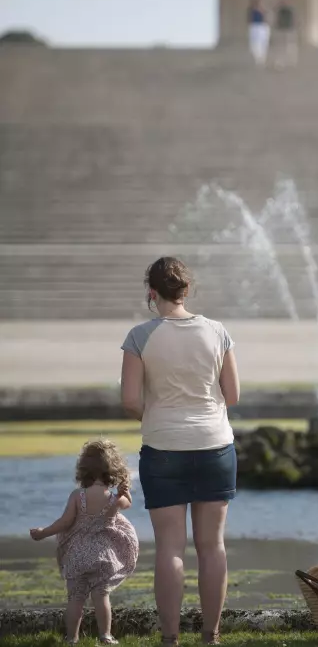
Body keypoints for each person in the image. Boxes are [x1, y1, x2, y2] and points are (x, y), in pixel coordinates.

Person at [120, 256, 240, 647]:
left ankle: (170, 639)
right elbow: (233, 396)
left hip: (163, 447)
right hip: (215, 446)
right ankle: (212, 635)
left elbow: (129, 401)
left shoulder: (140, 335)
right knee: (212, 546)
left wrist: (154, 415)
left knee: (171, 548)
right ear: (186, 290)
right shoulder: (218, 332)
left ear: (151, 293)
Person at [30, 440, 139, 645]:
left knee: (76, 598)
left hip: (77, 554)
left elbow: (64, 522)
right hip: (103, 556)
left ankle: (72, 638)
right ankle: (105, 635)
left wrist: (43, 532)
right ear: (113, 469)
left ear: (83, 468)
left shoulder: (77, 496)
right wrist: (125, 489)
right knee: (101, 595)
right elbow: (128, 503)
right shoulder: (113, 498)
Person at [270, 0, 298, 69]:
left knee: (290, 46)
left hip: (289, 30)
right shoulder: (279, 10)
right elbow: (274, 15)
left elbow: (294, 19)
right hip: (281, 30)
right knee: (280, 47)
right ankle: (279, 62)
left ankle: (290, 61)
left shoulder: (290, 10)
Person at [247, 0, 270, 66]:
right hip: (254, 26)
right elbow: (249, 19)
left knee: (263, 43)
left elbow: (266, 18)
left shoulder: (263, 10)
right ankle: (257, 57)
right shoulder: (251, 10)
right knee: (254, 43)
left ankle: (262, 58)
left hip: (262, 27)